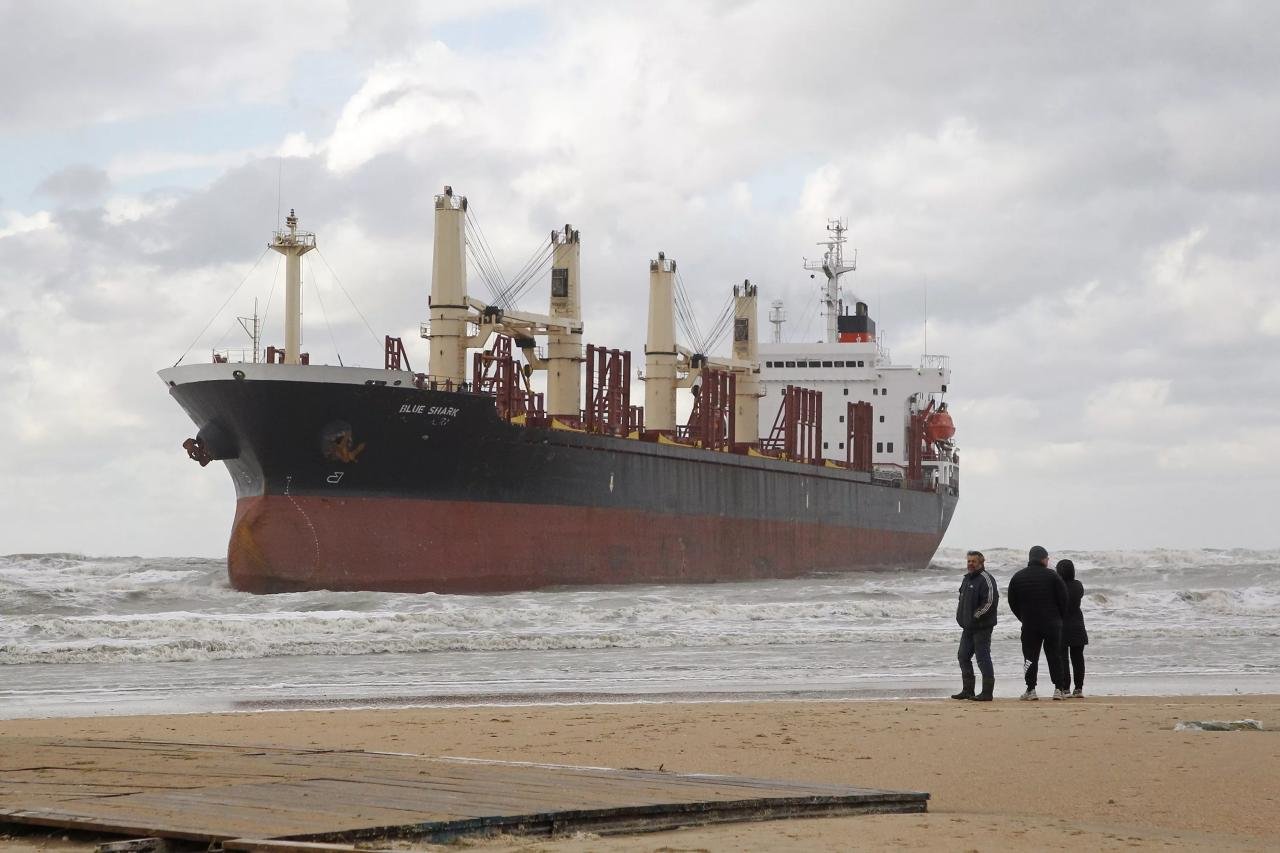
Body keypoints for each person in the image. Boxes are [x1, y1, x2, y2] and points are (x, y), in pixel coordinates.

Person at [1006, 545, 1068, 700]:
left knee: (1029, 657)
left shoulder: (1018, 577)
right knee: (1055, 656)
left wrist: (1022, 617)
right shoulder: (1053, 576)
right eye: (1047, 558)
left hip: (1029, 624)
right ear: (1043, 559)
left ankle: (1031, 689)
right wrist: (1059, 617)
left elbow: (1012, 601)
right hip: (1052, 624)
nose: (1048, 561)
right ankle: (1059, 689)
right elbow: (1063, 599)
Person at [952, 550, 998, 701]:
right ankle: (968, 690)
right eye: (969, 561)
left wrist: (976, 615)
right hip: (968, 627)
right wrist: (960, 617)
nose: (970, 564)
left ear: (981, 563)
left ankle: (987, 692)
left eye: (973, 561)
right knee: (963, 656)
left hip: (982, 627)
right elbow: (961, 600)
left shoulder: (986, 579)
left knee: (982, 658)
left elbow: (990, 602)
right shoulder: (966, 579)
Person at [1056, 559, 1088, 697]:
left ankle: (1065, 688)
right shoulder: (1078, 585)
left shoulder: (1058, 586)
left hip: (1061, 624)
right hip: (1077, 624)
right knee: (1078, 658)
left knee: (1063, 658)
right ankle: (1078, 688)